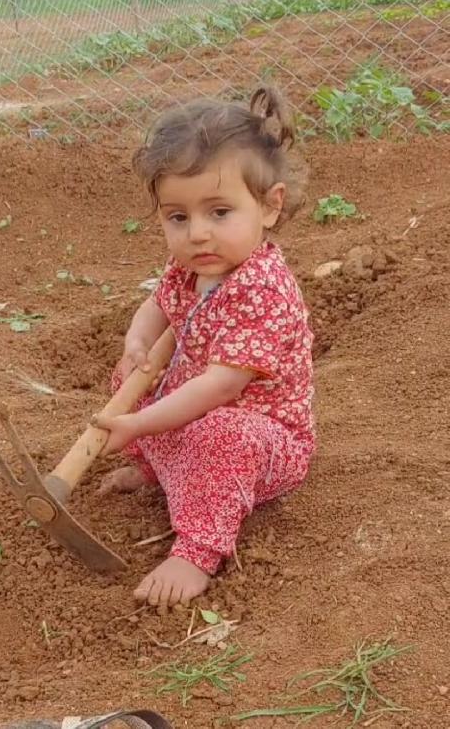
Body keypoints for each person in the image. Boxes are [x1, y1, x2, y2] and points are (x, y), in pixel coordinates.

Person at [93, 87, 315, 607]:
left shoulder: (262, 288)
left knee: (221, 433)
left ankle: (198, 549)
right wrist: (137, 343)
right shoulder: (192, 269)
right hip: (195, 416)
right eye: (178, 217)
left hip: (261, 443)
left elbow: (220, 388)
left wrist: (138, 425)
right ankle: (161, 470)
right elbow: (155, 307)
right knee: (132, 379)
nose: (197, 234)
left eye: (219, 212)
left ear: (269, 207)